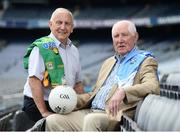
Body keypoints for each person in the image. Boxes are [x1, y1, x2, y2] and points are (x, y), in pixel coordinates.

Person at [45, 20, 160, 131]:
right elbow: (94, 94)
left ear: (135, 37)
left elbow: (152, 86)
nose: (120, 40)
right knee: (53, 120)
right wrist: (70, 98)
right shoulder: (108, 62)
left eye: (124, 35)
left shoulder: (145, 61)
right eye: (116, 36)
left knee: (91, 120)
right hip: (91, 111)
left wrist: (124, 92)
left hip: (113, 114)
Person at [22, 8, 84, 122]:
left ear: (72, 28)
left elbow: (78, 84)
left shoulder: (74, 50)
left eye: (67, 23)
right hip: (40, 104)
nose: (63, 27)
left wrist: (81, 107)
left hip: (64, 103)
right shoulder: (41, 47)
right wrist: (44, 112)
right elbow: (34, 80)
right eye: (59, 22)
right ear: (50, 25)